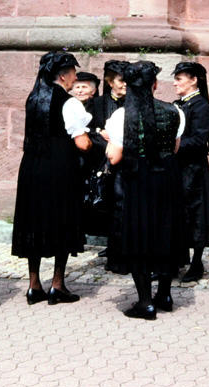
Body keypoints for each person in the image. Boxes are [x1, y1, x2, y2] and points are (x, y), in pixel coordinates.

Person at [105, 61, 185, 320]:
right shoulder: (174, 111)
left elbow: (114, 157)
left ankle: (145, 301)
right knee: (166, 232)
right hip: (167, 179)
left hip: (137, 181)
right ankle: (165, 294)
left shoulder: (120, 116)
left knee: (139, 235)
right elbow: (174, 148)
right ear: (155, 85)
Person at [12, 52, 92, 306]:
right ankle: (57, 284)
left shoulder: (32, 99)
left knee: (33, 220)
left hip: (32, 167)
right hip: (59, 168)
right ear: (62, 75)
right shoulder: (69, 103)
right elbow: (81, 142)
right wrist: (94, 141)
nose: (76, 77)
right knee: (62, 220)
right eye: (73, 73)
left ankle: (34, 285)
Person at [172, 62, 209, 282]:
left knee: (196, 213)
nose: (175, 83)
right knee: (177, 212)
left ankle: (196, 263)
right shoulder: (178, 104)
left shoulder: (201, 107)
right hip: (178, 167)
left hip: (193, 168)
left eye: (179, 78)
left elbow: (200, 139)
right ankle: (177, 259)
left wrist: (176, 145)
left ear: (194, 80)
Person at [86, 60, 130, 267]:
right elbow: (85, 131)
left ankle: (124, 247)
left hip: (127, 162)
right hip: (103, 162)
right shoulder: (97, 104)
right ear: (110, 81)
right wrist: (101, 137)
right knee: (108, 205)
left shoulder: (135, 102)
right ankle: (112, 244)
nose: (124, 85)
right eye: (121, 81)